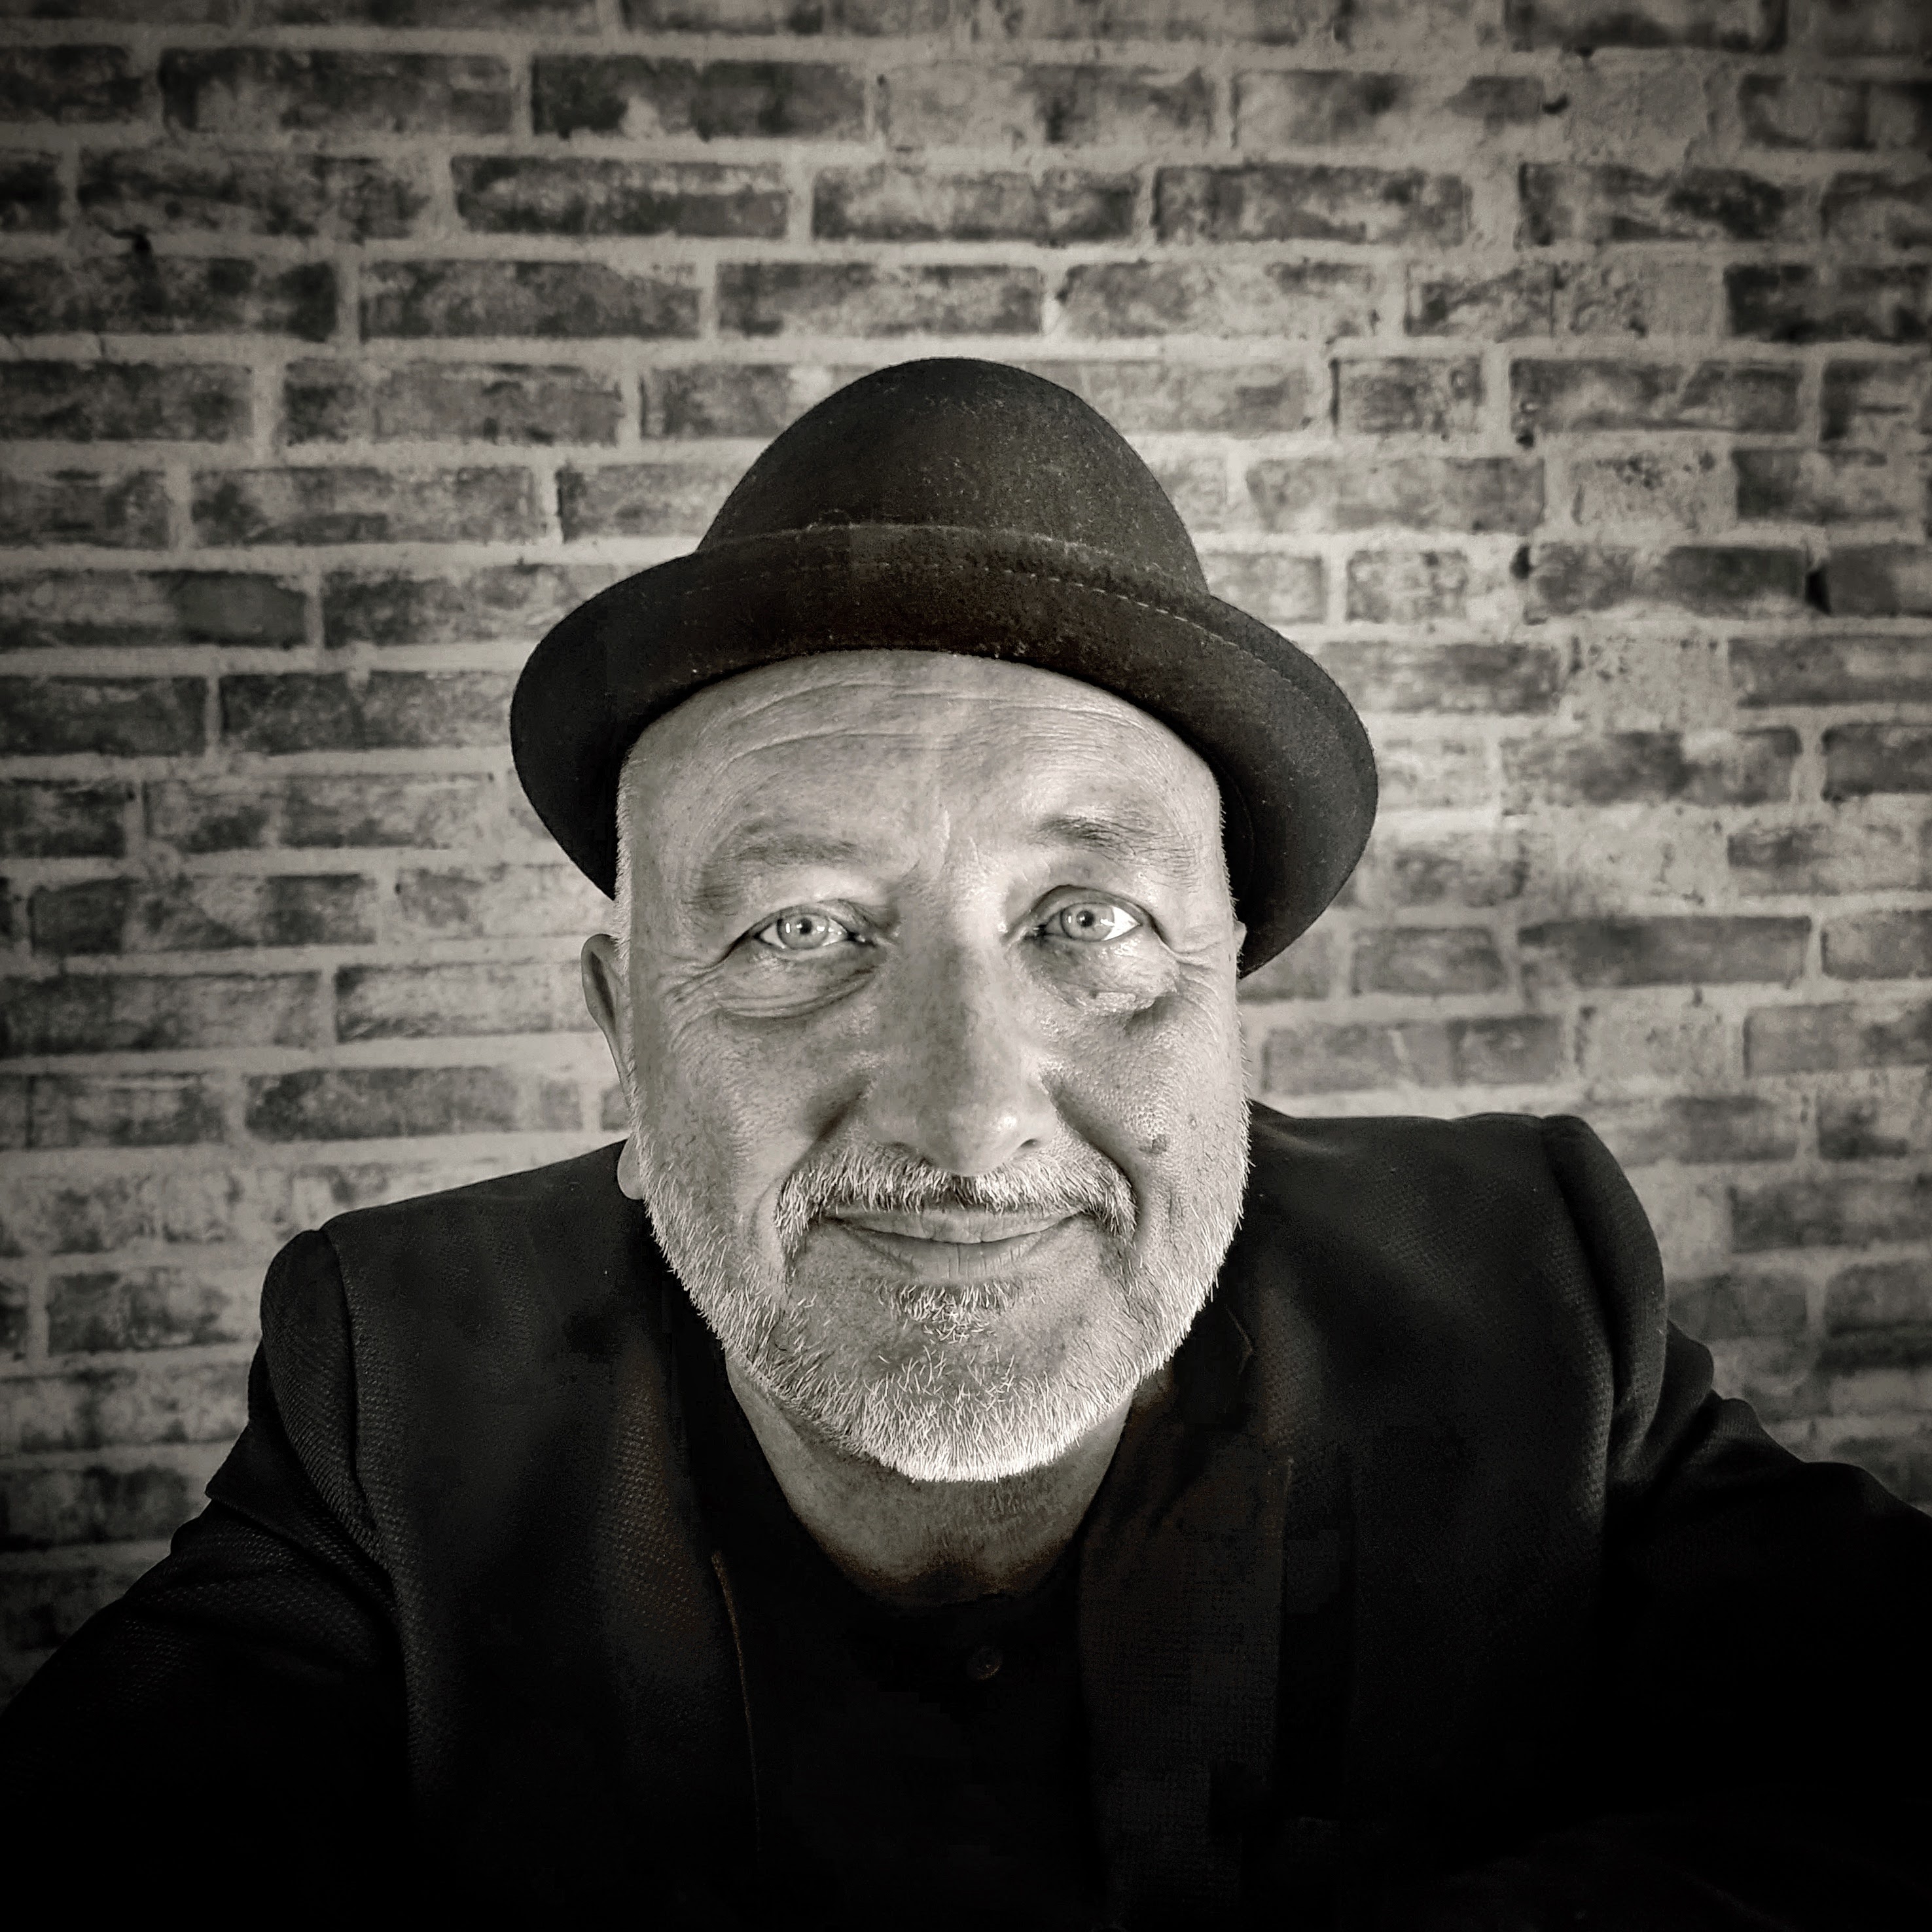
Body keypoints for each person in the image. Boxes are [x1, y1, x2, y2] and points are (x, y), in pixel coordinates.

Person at [1, 360, 1927, 1929]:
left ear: (1229, 1003)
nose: (966, 1110)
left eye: (1089, 923)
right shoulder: (393, 1382)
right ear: (623, 1037)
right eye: (801, 930)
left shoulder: (1532, 1307)